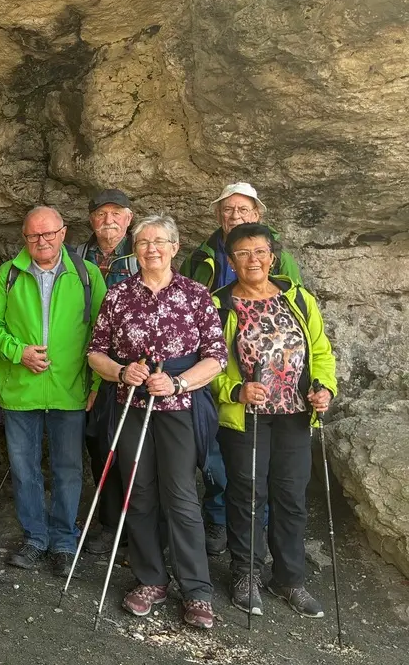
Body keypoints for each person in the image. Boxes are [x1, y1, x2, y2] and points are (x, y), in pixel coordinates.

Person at [88, 214, 227, 630]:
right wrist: (119, 371)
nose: (151, 248)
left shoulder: (196, 294)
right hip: (130, 406)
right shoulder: (118, 296)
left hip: (178, 408)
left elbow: (216, 357)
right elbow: (96, 351)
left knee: (182, 495)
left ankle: (197, 590)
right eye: (144, 242)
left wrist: (180, 381)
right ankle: (150, 579)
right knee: (139, 491)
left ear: (174, 246)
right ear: (136, 248)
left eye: (159, 241)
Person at [210, 223, 337, 618]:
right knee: (247, 494)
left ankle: (290, 579)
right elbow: (209, 363)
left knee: (291, 497)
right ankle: (246, 573)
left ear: (272, 257)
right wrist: (235, 389)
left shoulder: (298, 299)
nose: (253, 260)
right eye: (243, 254)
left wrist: (325, 389)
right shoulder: (219, 305)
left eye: (260, 252)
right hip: (247, 416)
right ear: (231, 261)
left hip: (296, 415)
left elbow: (321, 352)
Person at [0, 206, 106, 577]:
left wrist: (97, 384)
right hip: (21, 388)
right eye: (34, 235)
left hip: (71, 389)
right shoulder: (7, 275)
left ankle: (64, 541)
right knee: (24, 468)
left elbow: (104, 333)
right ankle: (35, 538)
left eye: (49, 234)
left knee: (69, 469)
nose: (42, 241)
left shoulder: (87, 275)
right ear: (25, 238)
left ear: (63, 233)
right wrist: (18, 352)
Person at [180, 182, 302, 555]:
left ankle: (258, 531)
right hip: (214, 368)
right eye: (228, 210)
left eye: (243, 210)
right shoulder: (201, 255)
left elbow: (297, 307)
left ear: (257, 214)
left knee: (264, 468)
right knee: (216, 453)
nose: (236, 216)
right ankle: (219, 520)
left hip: (272, 384)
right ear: (218, 215)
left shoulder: (277, 254)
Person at [72, 189, 137, 555]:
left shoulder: (143, 253)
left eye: (116, 214)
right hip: (88, 363)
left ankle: (138, 525)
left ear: (129, 219)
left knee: (131, 447)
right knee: (98, 445)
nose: (108, 221)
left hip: (132, 366)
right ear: (91, 220)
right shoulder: (77, 256)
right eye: (100, 214)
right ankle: (110, 522)